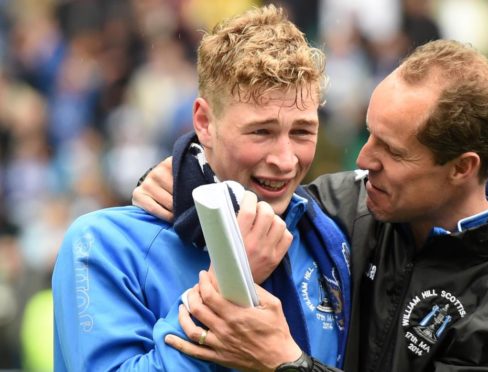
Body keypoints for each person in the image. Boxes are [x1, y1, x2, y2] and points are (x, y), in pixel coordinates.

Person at [134, 39, 488, 371]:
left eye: (392, 151)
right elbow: (249, 199)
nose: (363, 159)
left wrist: (287, 364)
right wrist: (184, 172)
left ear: (461, 168)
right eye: (369, 132)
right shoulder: (353, 206)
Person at [52, 5, 351, 371]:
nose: (286, 160)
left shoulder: (332, 235)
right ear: (204, 122)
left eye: (302, 132)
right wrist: (230, 281)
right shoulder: (103, 244)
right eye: (262, 132)